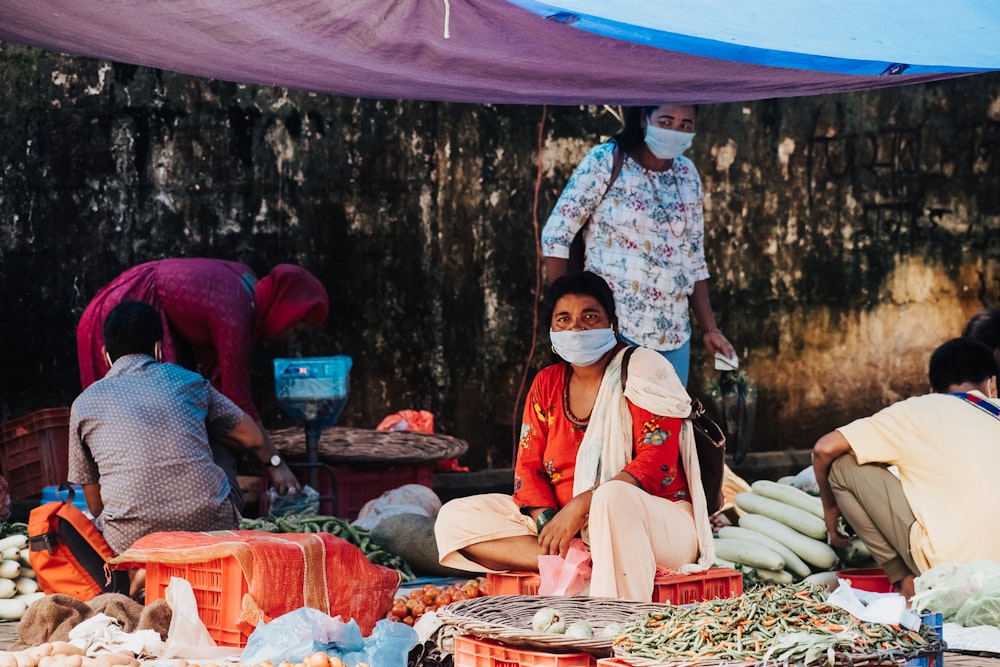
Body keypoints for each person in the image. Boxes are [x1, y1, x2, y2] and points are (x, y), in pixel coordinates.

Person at [434, 272, 715, 602]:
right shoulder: (547, 383)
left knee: (613, 497)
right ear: (552, 331)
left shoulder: (643, 367)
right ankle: (580, 562)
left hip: (660, 524)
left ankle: (613, 623)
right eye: (563, 318)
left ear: (612, 323)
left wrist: (582, 507)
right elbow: (528, 470)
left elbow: (656, 463)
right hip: (572, 529)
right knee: (454, 518)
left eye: (589, 316)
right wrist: (549, 523)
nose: (576, 327)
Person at [76, 258, 329, 504]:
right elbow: (240, 405)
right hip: (128, 308)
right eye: (294, 329)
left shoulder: (245, 286)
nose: (289, 338)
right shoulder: (236, 312)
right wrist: (276, 463)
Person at [68, 301, 300, 564]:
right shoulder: (189, 381)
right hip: (210, 528)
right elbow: (252, 437)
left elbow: (96, 505)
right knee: (216, 428)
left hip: (128, 541)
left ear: (104, 354)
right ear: (158, 348)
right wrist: (276, 463)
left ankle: (143, 568)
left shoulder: (84, 403)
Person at [541, 104, 735, 386]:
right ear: (645, 119)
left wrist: (710, 329)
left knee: (664, 427)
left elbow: (694, 258)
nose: (674, 131)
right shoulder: (607, 160)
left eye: (684, 125)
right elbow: (557, 233)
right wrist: (564, 313)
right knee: (612, 424)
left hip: (674, 336)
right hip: (614, 329)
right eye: (666, 121)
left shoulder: (687, 174)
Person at [812, 337, 1000, 601]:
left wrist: (831, 512)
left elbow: (824, 449)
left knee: (843, 465)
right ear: (992, 384)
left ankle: (906, 582)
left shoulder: (920, 408)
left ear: (932, 389)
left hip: (947, 572)